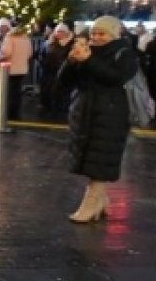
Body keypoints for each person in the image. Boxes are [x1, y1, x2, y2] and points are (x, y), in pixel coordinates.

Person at [56, 16, 138, 223]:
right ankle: (100, 200)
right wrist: (71, 61)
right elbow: (63, 80)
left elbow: (116, 77)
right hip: (83, 110)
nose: (97, 37)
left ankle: (91, 202)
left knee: (100, 156)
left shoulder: (124, 53)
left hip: (110, 111)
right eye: (94, 33)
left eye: (102, 33)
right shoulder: (85, 50)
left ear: (113, 34)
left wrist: (89, 61)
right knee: (88, 155)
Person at [0, 21, 33, 120]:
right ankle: (16, 113)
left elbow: (7, 52)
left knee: (9, 92)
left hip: (10, 67)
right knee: (17, 92)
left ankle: (9, 113)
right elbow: (30, 53)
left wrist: (0, 54)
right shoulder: (25, 37)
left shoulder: (9, 37)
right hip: (22, 68)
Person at [39, 23, 74, 118]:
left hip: (64, 73)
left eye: (62, 32)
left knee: (62, 93)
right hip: (49, 72)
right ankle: (49, 109)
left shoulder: (71, 44)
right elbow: (42, 54)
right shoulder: (49, 43)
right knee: (50, 91)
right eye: (58, 31)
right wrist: (43, 63)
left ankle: (60, 111)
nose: (59, 34)